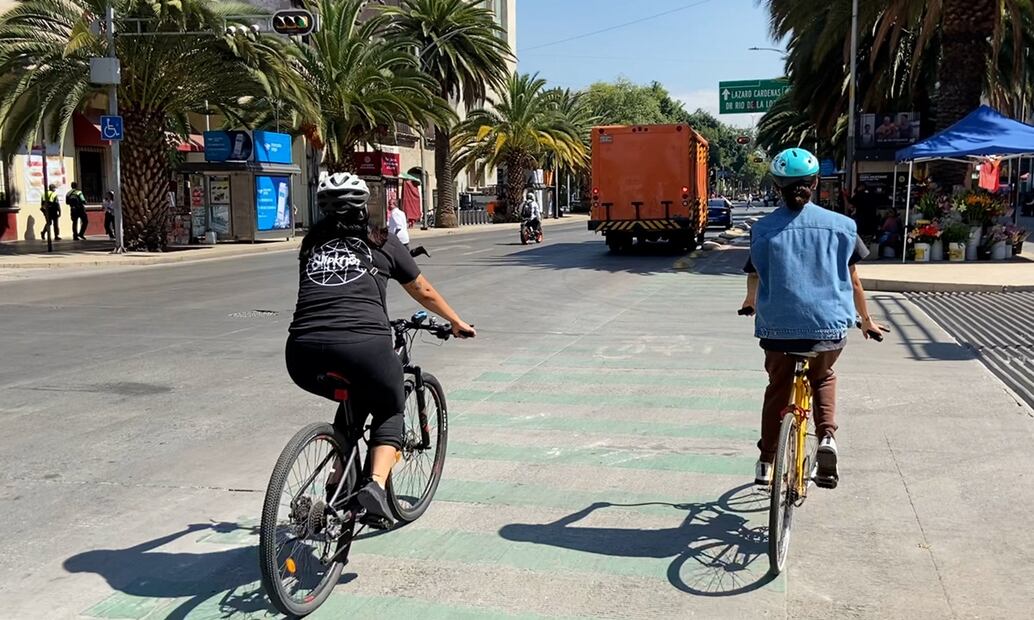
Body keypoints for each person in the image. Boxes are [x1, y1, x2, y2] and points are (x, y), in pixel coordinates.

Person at [285, 172, 475, 527]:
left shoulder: (310, 243)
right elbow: (423, 290)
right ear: (364, 207)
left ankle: (335, 480)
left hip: (301, 354)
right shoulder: (381, 240)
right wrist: (455, 321)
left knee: (354, 396)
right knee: (389, 404)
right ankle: (374, 484)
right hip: (363, 347)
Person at [741, 148, 887, 490]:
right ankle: (826, 439)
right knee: (822, 377)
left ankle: (766, 461)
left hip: (777, 330)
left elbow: (756, 275)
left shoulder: (762, 230)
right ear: (815, 182)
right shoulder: (843, 227)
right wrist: (866, 321)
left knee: (777, 387)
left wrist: (750, 303)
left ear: (777, 186)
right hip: (828, 328)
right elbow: (853, 282)